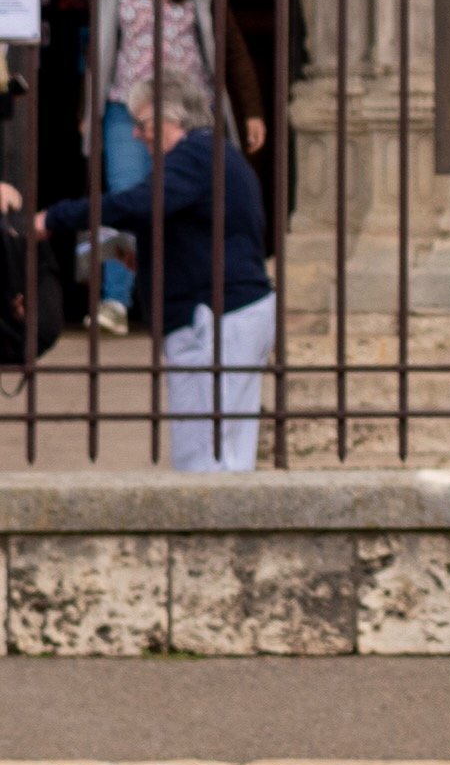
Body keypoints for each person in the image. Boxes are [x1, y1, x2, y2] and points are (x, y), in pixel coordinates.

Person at [13, 78, 274, 471]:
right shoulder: (205, 157)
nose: (137, 134)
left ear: (173, 117)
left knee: (215, 454)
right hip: (215, 313)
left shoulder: (196, 153)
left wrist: (54, 217)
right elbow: (193, 230)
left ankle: (214, 531)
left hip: (220, 314)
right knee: (206, 450)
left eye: (144, 123)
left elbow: (139, 203)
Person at [85, 0, 268, 336]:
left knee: (190, 204)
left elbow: (232, 51)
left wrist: (252, 112)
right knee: (127, 195)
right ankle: (115, 299)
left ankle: (186, 296)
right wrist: (85, 110)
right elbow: (99, 53)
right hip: (124, 108)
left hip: (189, 114)